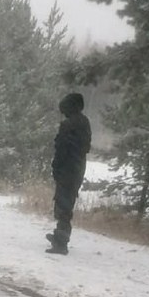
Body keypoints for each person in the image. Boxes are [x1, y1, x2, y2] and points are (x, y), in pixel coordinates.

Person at [46, 93, 91, 255]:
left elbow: (61, 150)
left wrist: (56, 167)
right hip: (78, 168)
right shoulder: (85, 122)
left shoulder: (68, 125)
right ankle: (60, 235)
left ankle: (61, 242)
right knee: (67, 202)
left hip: (67, 169)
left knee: (63, 204)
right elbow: (86, 147)